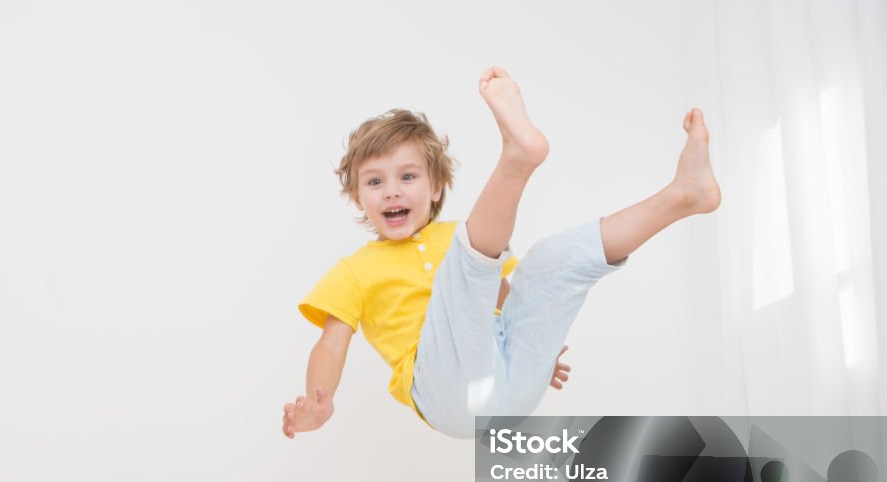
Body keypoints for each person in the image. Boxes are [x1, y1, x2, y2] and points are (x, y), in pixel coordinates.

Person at [283, 66, 721, 439]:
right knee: (468, 262)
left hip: (511, 390)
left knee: (548, 261)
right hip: (450, 395)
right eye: (375, 182)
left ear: (436, 187)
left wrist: (536, 348)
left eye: (407, 177)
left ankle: (682, 196)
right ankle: (518, 158)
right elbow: (331, 343)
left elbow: (508, 299)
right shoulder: (356, 270)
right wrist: (320, 400)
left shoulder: (466, 236)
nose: (391, 191)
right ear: (358, 197)